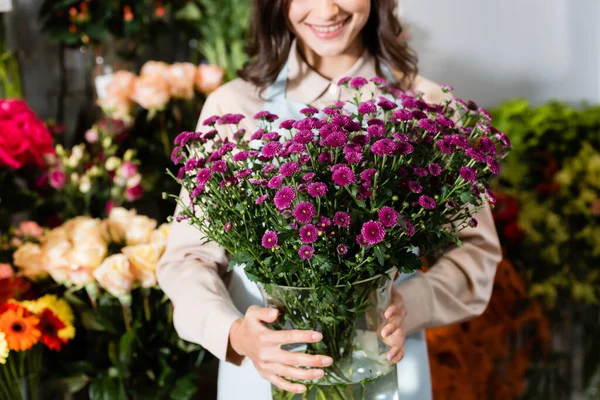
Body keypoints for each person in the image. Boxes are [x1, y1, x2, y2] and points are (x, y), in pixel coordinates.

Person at [157, 0, 502, 399]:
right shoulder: (234, 107)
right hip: (264, 370)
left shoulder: (425, 107)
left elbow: (476, 253)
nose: (326, 9)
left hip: (383, 366)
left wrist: (408, 306)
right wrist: (234, 333)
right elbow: (187, 258)